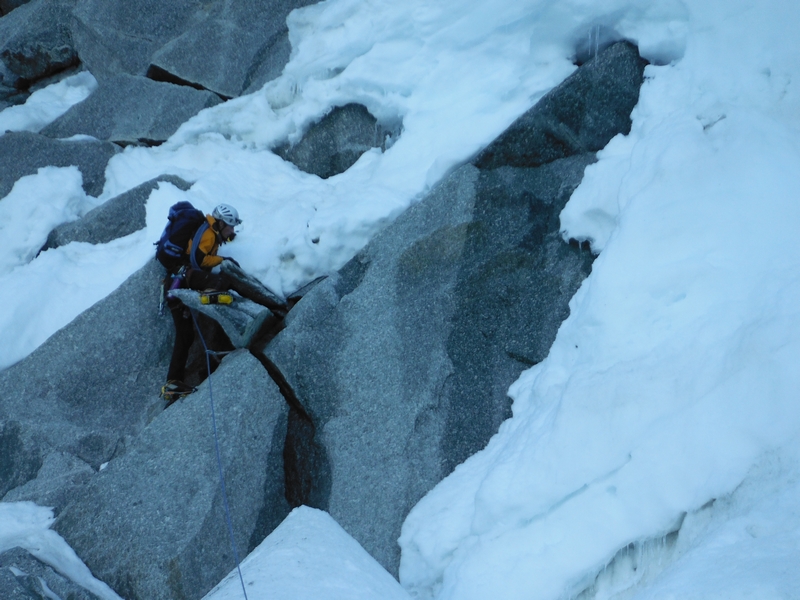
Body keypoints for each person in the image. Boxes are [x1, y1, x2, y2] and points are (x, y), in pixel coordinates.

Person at [161, 203, 283, 403]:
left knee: (185, 336)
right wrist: (222, 260)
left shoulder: (210, 233)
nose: (232, 230)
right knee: (221, 281)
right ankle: (209, 294)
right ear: (219, 224)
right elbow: (199, 259)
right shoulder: (208, 233)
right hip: (185, 277)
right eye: (230, 226)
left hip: (174, 286)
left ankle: (172, 382)